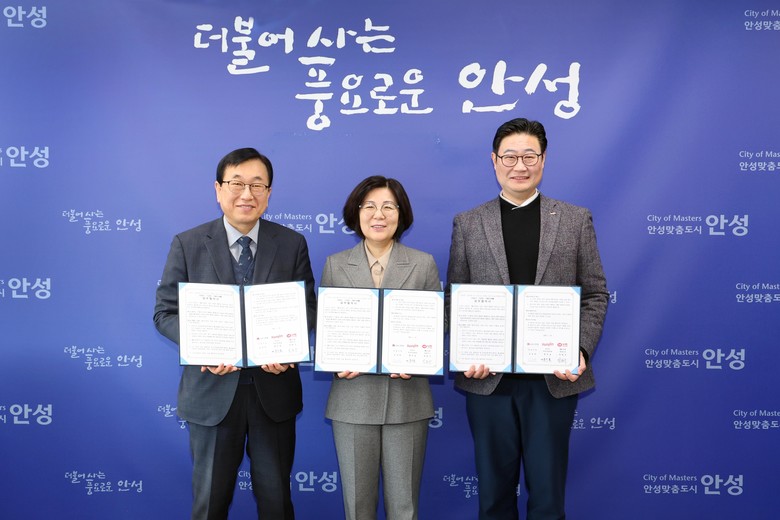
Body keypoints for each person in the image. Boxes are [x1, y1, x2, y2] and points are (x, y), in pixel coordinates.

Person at [446, 118, 608, 520]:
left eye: (529, 156)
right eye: (510, 156)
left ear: (543, 160)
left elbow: (595, 293)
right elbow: (454, 300)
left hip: (553, 381)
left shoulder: (574, 219)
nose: (520, 165)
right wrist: (464, 350)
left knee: (548, 500)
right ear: (494, 160)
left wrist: (579, 349)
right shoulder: (468, 223)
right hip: (488, 381)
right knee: (493, 499)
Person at [153, 147, 317, 520]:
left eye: (257, 185)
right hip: (211, 394)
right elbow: (165, 313)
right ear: (218, 189)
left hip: (273, 392)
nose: (247, 194)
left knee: (276, 502)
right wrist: (201, 345)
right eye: (237, 183)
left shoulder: (291, 243)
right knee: (210, 503)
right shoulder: (188, 243)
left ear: (269, 193)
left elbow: (308, 307)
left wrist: (288, 346)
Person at [321, 175, 441, 520]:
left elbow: (436, 325)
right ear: (356, 212)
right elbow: (329, 327)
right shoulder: (335, 264)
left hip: (407, 400)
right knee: (357, 507)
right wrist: (335, 361)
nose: (379, 214)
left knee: (404, 507)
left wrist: (419, 357)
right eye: (369, 206)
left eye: (389, 206)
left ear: (401, 214)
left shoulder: (423, 263)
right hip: (352, 399)